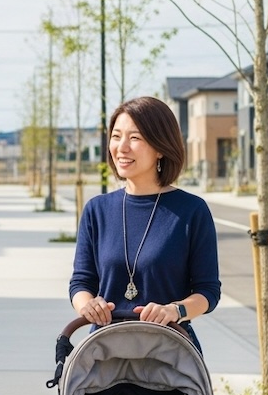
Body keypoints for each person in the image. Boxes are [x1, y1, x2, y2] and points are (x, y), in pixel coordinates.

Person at [70, 96, 221, 352]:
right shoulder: (97, 210)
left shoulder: (191, 211)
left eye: (135, 138)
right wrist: (87, 305)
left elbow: (208, 291)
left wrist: (175, 310)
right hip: (104, 354)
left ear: (161, 146)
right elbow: (81, 283)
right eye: (116, 136)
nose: (122, 147)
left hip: (169, 355)